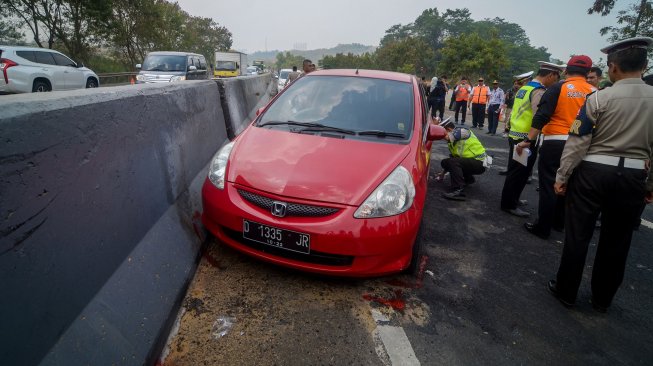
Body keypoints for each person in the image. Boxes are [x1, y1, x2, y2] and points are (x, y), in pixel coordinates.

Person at [548, 37, 653, 312]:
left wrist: (562, 177)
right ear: (644, 66)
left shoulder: (599, 98)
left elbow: (578, 141)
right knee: (617, 241)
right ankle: (602, 299)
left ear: (614, 67)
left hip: (592, 173)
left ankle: (566, 290)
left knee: (578, 235)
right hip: (633, 177)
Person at [522, 55, 596, 239]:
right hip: (582, 144)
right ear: (588, 73)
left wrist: (529, 140)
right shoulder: (595, 91)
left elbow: (542, 115)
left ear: (566, 70)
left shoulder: (558, 87)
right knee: (568, 183)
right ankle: (558, 222)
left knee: (549, 184)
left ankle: (543, 227)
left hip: (555, 140)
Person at [500, 62, 564, 217]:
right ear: (550, 75)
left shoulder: (525, 87)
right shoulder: (539, 91)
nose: (555, 82)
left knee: (515, 170)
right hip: (526, 138)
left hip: (515, 134)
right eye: (556, 78)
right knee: (519, 172)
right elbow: (538, 115)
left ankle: (512, 199)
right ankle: (509, 204)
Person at [437, 118, 488, 201]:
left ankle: (458, 191)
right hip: (472, 162)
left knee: (453, 162)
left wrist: (435, 130)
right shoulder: (452, 141)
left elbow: (448, 138)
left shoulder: (462, 131)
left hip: (480, 163)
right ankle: (468, 179)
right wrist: (442, 173)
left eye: (443, 132)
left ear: (449, 129)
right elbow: (454, 158)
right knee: (445, 162)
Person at [499, 71, 533, 172]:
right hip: (514, 128)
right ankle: (510, 169)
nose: (516, 85)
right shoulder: (520, 92)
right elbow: (515, 109)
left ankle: (528, 174)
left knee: (525, 154)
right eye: (517, 83)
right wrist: (508, 123)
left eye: (519, 82)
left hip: (525, 131)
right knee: (513, 152)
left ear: (526, 80)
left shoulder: (533, 91)